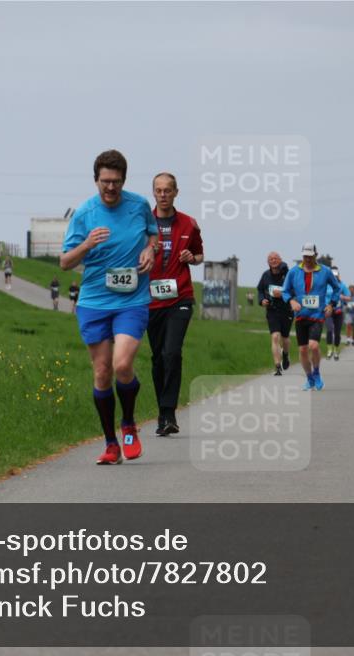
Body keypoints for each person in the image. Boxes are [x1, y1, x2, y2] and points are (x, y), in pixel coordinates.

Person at [60, 149, 158, 465]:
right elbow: (64, 262)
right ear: (95, 180)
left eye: (115, 182)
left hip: (132, 300)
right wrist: (87, 244)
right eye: (105, 182)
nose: (110, 188)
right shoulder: (84, 214)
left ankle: (129, 424)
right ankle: (111, 443)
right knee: (102, 372)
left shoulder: (140, 206)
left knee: (122, 366)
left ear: (124, 181)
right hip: (94, 302)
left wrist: (150, 251)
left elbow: (152, 237)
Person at [147, 172, 204, 436]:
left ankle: (169, 413)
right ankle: (162, 412)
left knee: (172, 352)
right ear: (153, 193)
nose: (163, 194)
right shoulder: (142, 224)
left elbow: (200, 254)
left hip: (180, 296)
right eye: (158, 190)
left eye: (167, 190)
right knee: (158, 358)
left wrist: (192, 257)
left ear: (176, 192)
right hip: (151, 300)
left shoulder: (189, 224)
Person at [281, 243, 342, 391]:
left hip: (317, 315)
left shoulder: (325, 271)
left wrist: (331, 305)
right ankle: (309, 378)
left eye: (310, 256)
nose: (307, 259)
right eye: (305, 256)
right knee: (302, 350)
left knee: (313, 346)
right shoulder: (294, 271)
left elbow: (337, 288)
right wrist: (292, 301)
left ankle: (317, 373)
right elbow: (285, 291)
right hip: (301, 315)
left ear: (315, 255)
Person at [257, 251, 293, 375]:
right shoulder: (265, 276)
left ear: (280, 260)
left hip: (287, 309)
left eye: (276, 258)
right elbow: (260, 290)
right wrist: (262, 300)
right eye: (271, 259)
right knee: (275, 337)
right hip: (272, 310)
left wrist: (283, 293)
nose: (273, 260)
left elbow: (294, 290)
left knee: (285, 338)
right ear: (268, 262)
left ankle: (286, 354)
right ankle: (277, 366)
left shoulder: (287, 275)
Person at [324, 271, 350, 361]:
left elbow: (349, 297)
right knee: (330, 329)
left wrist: (343, 297)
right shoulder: (326, 285)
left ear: (338, 276)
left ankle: (336, 350)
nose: (334, 278)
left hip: (339, 311)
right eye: (333, 276)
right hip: (328, 311)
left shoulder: (342, 285)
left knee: (337, 332)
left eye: (336, 276)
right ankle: (329, 350)